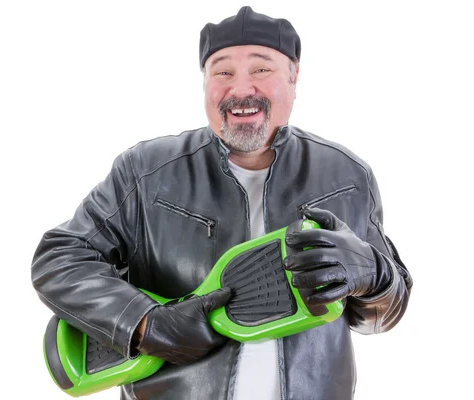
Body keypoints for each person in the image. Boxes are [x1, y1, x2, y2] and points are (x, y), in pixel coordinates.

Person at [31, 6, 412, 400]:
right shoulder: (146, 171)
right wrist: (144, 323)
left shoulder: (348, 175)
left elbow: (380, 318)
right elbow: (60, 256)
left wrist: (374, 275)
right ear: (205, 82)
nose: (241, 89)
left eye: (261, 69)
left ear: (294, 76)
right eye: (223, 71)